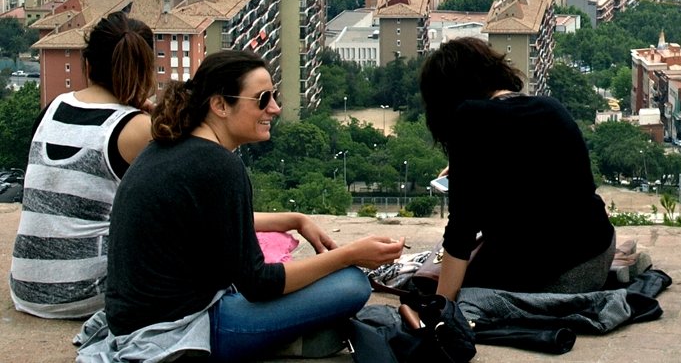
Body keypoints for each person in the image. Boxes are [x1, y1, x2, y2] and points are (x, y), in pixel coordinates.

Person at [90, 49, 403, 361]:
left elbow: (211, 219)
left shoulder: (170, 147)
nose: (275, 108)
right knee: (352, 284)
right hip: (180, 329)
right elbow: (259, 285)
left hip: (132, 322)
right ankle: (275, 340)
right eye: (263, 98)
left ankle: (281, 338)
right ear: (220, 104)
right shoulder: (219, 166)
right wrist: (347, 255)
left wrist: (292, 219)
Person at [419, 37, 614, 300]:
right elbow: (535, 173)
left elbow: (460, 232)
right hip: (598, 250)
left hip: (555, 276)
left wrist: (440, 309)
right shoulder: (549, 107)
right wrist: (466, 166)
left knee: (449, 290)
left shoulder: (469, 117)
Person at [10, 13, 156, 318]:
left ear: (87, 64)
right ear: (145, 69)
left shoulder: (54, 108)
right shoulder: (137, 127)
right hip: (88, 292)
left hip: (26, 288)